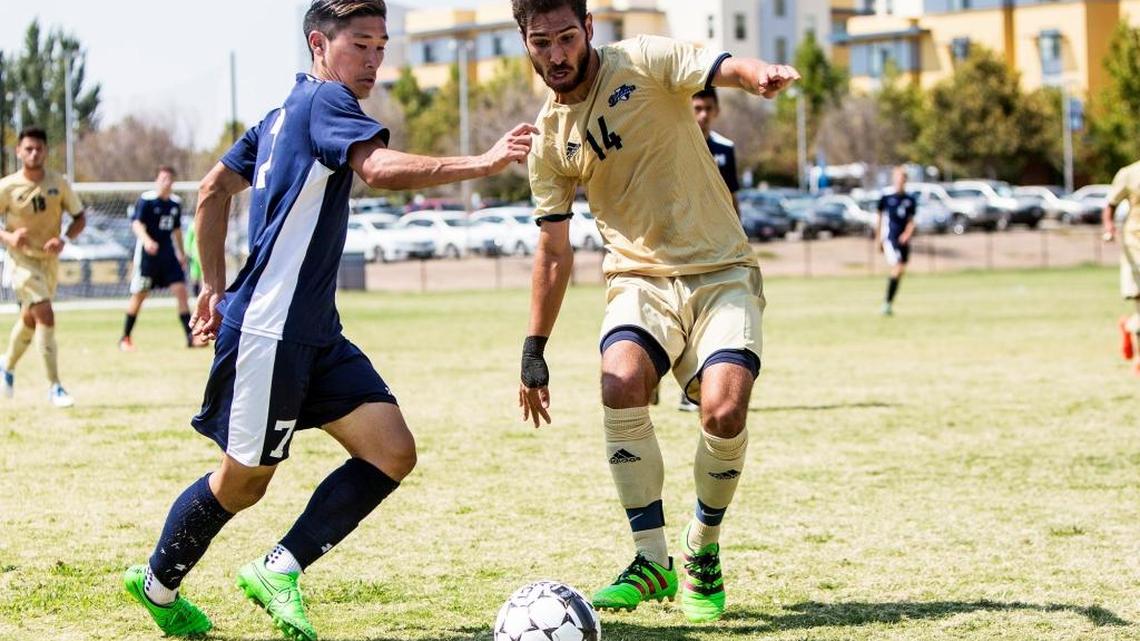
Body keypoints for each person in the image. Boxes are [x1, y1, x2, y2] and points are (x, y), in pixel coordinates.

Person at [123, 2, 535, 640]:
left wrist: (210, 287)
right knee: (244, 482)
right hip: (269, 332)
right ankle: (157, 584)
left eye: (381, 46)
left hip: (314, 332)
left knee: (392, 451)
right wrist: (480, 164)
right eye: (361, 45)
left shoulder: (279, 111)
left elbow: (210, 191)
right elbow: (378, 169)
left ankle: (276, 567)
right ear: (319, 43)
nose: (374, 60)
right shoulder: (326, 103)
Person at [511, 0, 798, 623]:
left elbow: (718, 66)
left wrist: (754, 73)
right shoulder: (548, 142)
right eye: (541, 42)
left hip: (721, 269)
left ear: (588, 29)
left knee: (723, 410)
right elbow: (554, 251)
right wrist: (534, 347)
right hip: (638, 279)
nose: (557, 54)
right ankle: (651, 558)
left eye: (566, 36)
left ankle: (702, 549)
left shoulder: (641, 59)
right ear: (526, 43)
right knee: (619, 381)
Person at [0, 126, 85, 408]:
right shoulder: (8, 186)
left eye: (39, 148)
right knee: (45, 313)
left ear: (46, 151)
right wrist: (10, 237)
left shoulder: (58, 183)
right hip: (20, 260)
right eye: (28, 148)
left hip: (48, 261)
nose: (34, 153)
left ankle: (6, 365)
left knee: (31, 317)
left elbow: (79, 218)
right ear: (19, 151)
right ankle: (55, 387)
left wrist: (63, 239)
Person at [674, 87, 742, 413]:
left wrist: (739, 239)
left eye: (707, 109)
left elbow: (732, 198)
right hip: (679, 246)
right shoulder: (672, 145)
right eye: (697, 108)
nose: (702, 115)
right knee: (682, 318)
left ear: (716, 111)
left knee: (712, 320)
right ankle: (681, 384)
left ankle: (698, 388)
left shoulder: (726, 150)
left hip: (717, 248)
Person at [119, 166, 203, 351]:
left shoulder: (175, 203)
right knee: (140, 296)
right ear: (157, 180)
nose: (167, 182)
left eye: (170, 179)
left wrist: (181, 253)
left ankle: (190, 338)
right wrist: (147, 241)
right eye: (163, 178)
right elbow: (136, 224)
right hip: (148, 258)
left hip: (168, 256)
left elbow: (177, 231)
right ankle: (125, 338)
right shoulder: (146, 200)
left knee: (181, 291)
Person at [1103, 158, 1140, 376]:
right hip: (1135, 243)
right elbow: (1110, 204)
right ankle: (1138, 359)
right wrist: (1109, 228)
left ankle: (1127, 326)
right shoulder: (1129, 173)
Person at [876, 166, 917, 316]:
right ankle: (886, 304)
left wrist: (907, 233)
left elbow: (912, 221)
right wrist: (878, 239)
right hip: (890, 238)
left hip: (903, 241)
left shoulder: (910, 199)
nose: (900, 180)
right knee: (898, 267)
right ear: (894, 179)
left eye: (903, 178)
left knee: (900, 270)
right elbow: (879, 218)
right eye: (898, 177)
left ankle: (888, 302)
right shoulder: (886, 197)